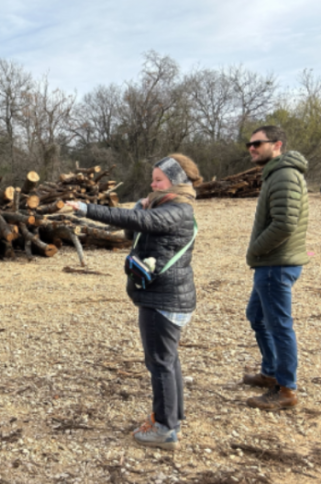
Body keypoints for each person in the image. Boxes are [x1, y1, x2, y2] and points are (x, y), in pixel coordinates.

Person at [67, 154, 201, 450]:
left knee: (160, 362)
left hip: (163, 299)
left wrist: (87, 208)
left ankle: (164, 429)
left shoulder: (177, 209)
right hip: (165, 295)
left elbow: (135, 222)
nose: (153, 185)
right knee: (168, 360)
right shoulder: (164, 206)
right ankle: (173, 418)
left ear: (176, 182)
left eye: (159, 180)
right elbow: (133, 232)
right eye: (152, 180)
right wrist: (142, 206)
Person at [241, 125, 309, 410]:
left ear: (277, 145)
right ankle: (270, 372)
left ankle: (286, 389)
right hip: (271, 263)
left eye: (258, 143)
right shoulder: (275, 173)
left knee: (279, 326)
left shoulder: (284, 175)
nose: (252, 148)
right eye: (250, 144)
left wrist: (255, 249)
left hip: (276, 265)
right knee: (257, 316)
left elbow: (284, 224)